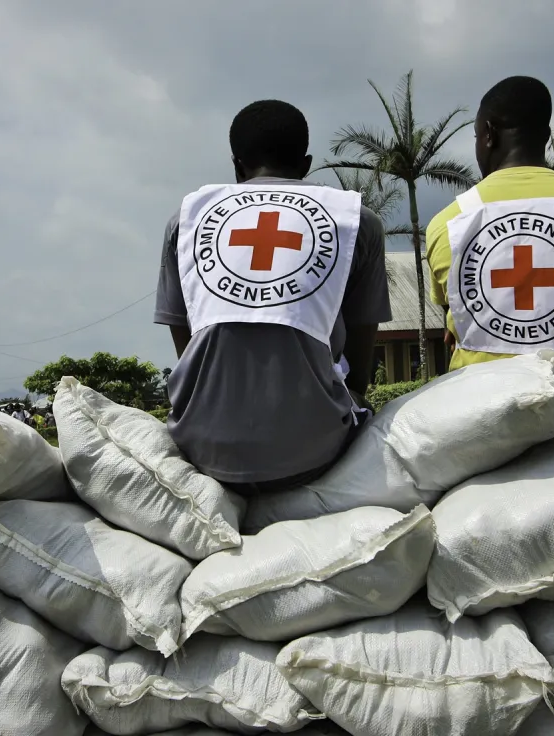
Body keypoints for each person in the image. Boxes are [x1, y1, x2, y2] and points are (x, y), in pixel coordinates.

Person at [155, 99, 391, 493]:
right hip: (314, 454)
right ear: (306, 165)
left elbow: (188, 347)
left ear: (237, 166)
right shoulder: (358, 221)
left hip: (202, 448)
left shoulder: (185, 221)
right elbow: (360, 369)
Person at [425, 76, 554, 451]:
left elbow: (455, 324)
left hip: (481, 426)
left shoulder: (446, 224)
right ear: (546, 135)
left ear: (488, 134)